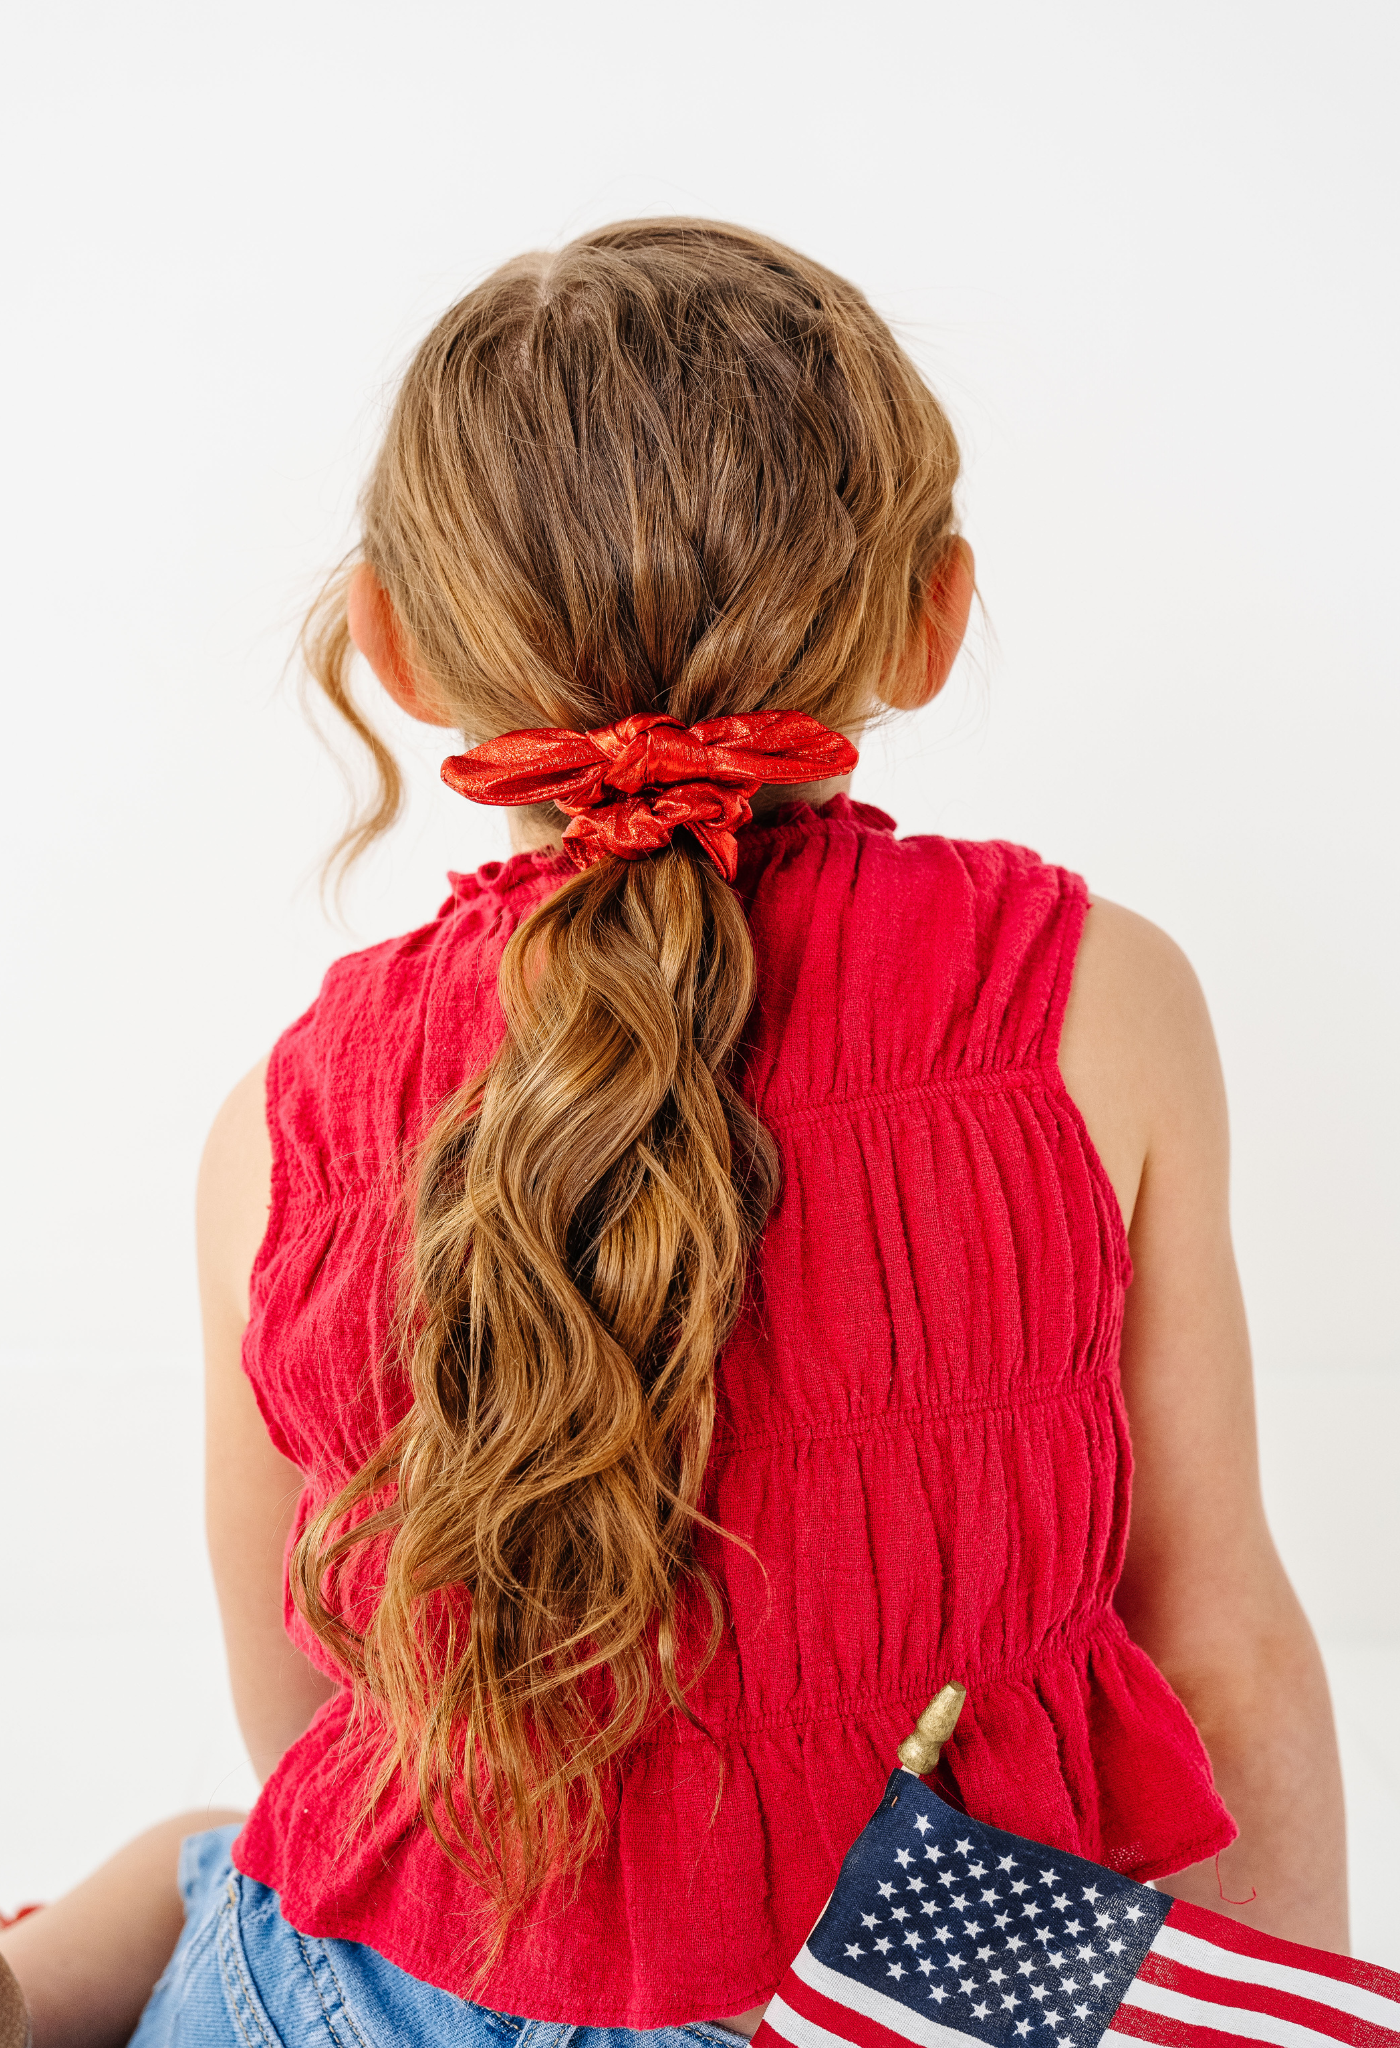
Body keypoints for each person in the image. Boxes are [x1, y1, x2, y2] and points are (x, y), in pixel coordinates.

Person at [0, 218, 1346, 2048]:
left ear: (395, 645)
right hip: (923, 1997)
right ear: (936, 615)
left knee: (209, 1860)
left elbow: (312, 1719)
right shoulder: (1091, 1001)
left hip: (387, 1997)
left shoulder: (282, 1120)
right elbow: (1218, 1632)